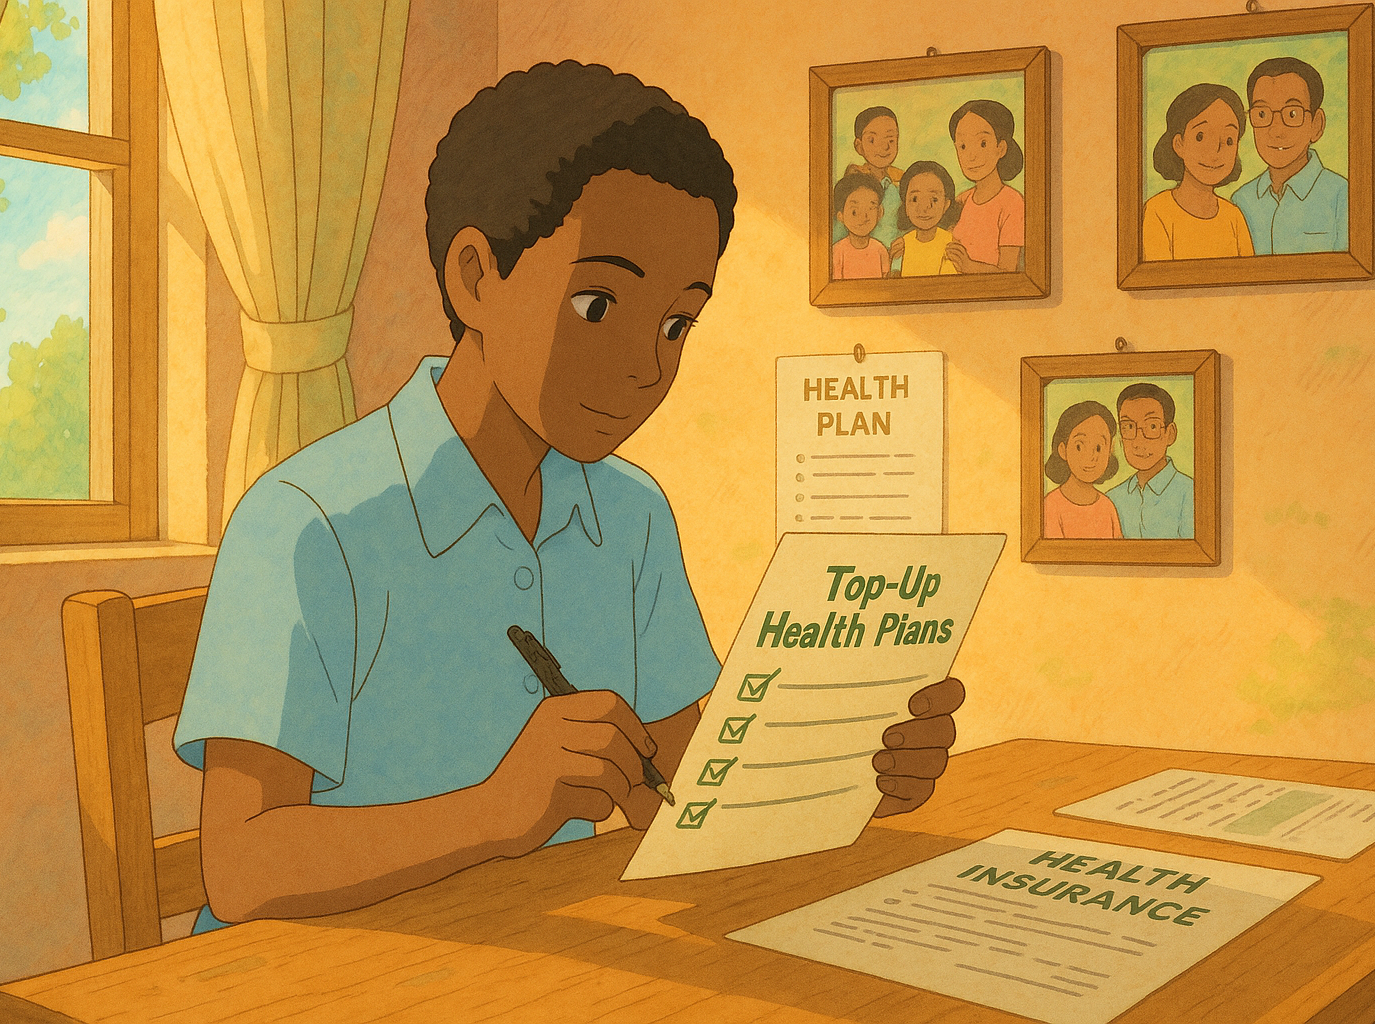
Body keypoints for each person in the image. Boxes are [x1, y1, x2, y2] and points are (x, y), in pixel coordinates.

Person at [172, 62, 964, 932]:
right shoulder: (307, 524)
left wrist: (847, 774)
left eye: (677, 324)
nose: (644, 365)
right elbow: (242, 871)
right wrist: (494, 812)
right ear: (476, 278)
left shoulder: (631, 515)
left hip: (544, 956)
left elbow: (677, 795)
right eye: (597, 303)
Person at [1231, 56, 1349, 254]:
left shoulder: (1342, 196)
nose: (1276, 130)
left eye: (1292, 114)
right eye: (1262, 114)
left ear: (1317, 125)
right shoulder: (1241, 201)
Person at [1142, 83, 1255, 260]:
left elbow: (1250, 275)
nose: (1215, 151)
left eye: (1228, 140)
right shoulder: (1158, 211)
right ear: (1179, 144)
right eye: (1200, 136)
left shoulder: (1234, 216)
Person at [944, 99, 1025, 273]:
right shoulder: (961, 200)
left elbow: (1009, 274)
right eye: (963, 146)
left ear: (1001, 148)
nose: (971, 156)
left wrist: (969, 266)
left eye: (982, 143)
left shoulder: (1012, 202)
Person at [1106, 383, 1195, 539]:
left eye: (1152, 426)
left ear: (1170, 433)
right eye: (1128, 426)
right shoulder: (1112, 499)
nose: (1138, 441)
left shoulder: (1191, 494)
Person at [1042, 400, 1123, 539]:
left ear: (1110, 450)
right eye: (1079, 446)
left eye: (1098, 448)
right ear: (1063, 450)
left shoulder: (1107, 506)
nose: (1091, 457)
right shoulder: (1051, 505)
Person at [835, 106, 904, 248]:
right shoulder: (852, 183)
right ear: (859, 146)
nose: (884, 147)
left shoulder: (900, 183)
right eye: (872, 140)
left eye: (891, 140)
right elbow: (839, 230)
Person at [889, 161, 961, 277]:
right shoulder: (903, 243)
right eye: (915, 199)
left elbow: (949, 284)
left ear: (946, 205)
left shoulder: (949, 243)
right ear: (905, 205)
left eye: (934, 199)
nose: (924, 208)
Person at [830, 172, 891, 279]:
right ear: (841, 216)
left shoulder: (880, 250)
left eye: (871, 208)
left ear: (880, 212)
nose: (864, 217)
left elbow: (885, 281)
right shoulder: (837, 251)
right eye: (854, 212)